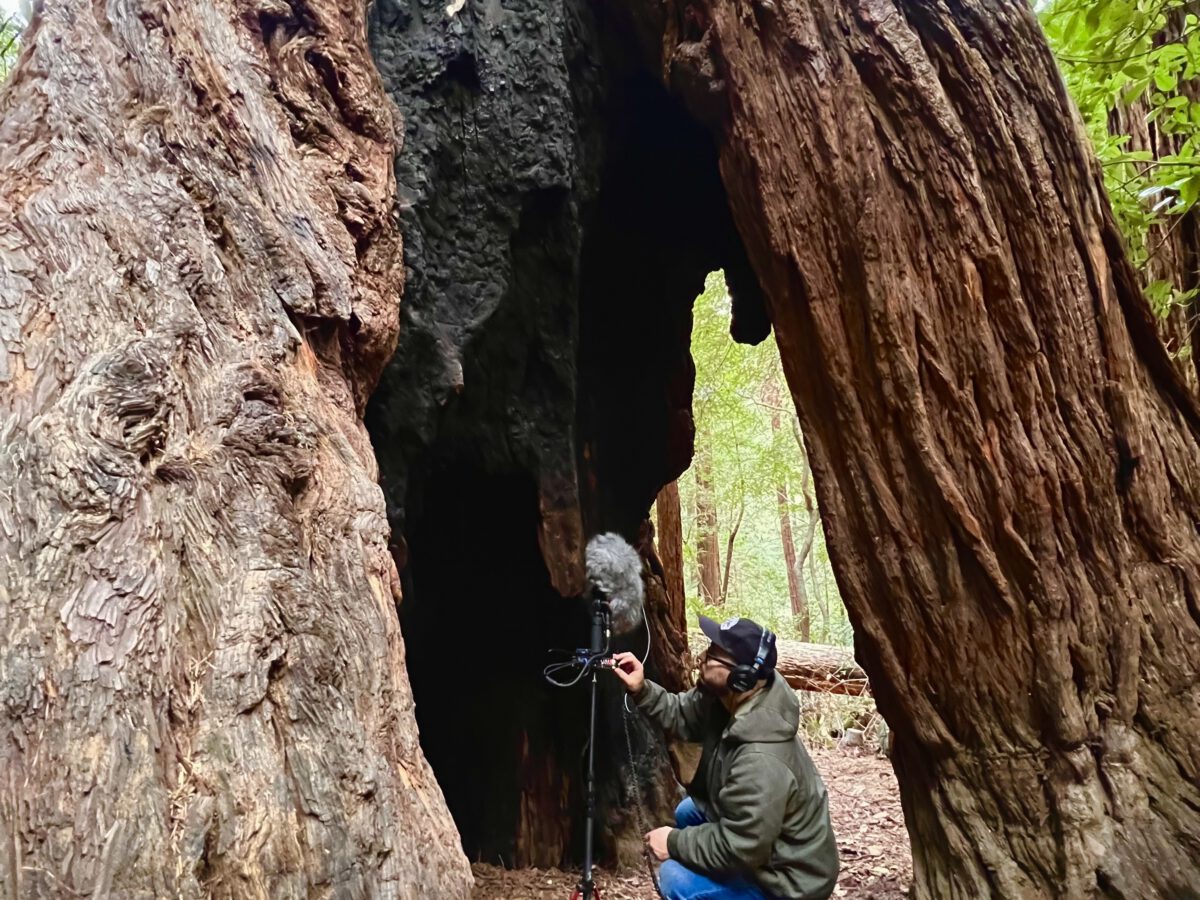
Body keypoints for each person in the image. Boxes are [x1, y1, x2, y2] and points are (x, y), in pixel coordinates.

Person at [611, 615, 839, 900]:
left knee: (674, 878)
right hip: (762, 846)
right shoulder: (724, 698)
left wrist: (674, 842)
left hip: (789, 883)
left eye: (714, 655)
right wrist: (642, 688)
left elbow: (740, 845)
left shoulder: (762, 760)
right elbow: (681, 712)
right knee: (686, 812)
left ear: (741, 675)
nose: (703, 658)